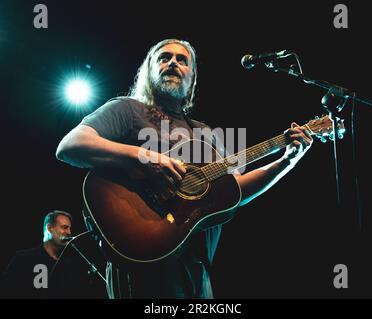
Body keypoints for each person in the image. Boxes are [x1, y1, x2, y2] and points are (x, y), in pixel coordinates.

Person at [55, 39, 313, 298]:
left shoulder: (205, 133)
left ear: (192, 78)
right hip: (140, 261)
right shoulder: (126, 110)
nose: (173, 63)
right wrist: (142, 156)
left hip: (197, 268)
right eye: (164, 57)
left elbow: (234, 191)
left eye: (182, 60)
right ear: (149, 70)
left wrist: (285, 162)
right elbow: (70, 146)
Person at [1, 210, 102, 298]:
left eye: (70, 228)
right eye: (64, 227)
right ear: (49, 228)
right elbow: (8, 290)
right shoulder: (24, 258)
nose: (69, 232)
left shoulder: (70, 264)